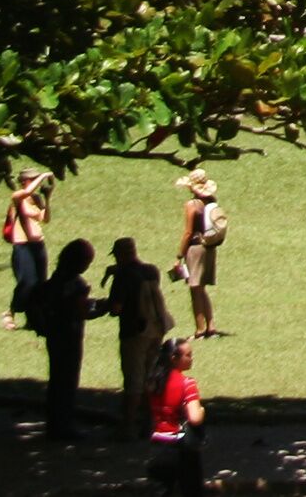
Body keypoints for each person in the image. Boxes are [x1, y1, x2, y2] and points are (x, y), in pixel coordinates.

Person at [22, 235, 101, 441]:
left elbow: (35, 297)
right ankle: (63, 425)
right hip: (70, 335)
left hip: (55, 335)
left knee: (57, 379)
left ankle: (56, 423)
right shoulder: (75, 284)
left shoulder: (56, 279)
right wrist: (104, 306)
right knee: (67, 381)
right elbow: (81, 311)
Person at [104, 235, 174, 437]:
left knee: (133, 379)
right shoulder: (151, 271)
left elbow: (116, 308)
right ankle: (149, 423)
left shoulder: (123, 277)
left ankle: (127, 427)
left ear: (119, 255)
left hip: (134, 331)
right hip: (156, 328)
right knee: (149, 377)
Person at [146, 334, 206, 491]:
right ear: (174, 358)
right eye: (188, 355)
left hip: (157, 444)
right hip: (181, 447)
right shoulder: (187, 384)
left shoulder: (153, 382)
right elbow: (195, 418)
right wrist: (202, 410)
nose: (191, 359)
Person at [172, 170, 227, 338]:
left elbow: (188, 232)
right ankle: (211, 326)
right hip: (209, 247)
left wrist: (179, 256)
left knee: (195, 289)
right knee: (202, 289)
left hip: (195, 248)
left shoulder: (192, 205)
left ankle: (200, 329)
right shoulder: (211, 202)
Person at [1, 167, 52, 329]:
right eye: (34, 179)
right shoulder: (17, 197)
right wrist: (44, 176)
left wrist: (48, 198)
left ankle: (34, 319)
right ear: (25, 181)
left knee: (40, 285)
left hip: (38, 245)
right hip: (22, 246)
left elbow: (45, 219)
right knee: (27, 282)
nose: (38, 182)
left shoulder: (36, 198)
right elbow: (27, 191)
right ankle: (10, 311)